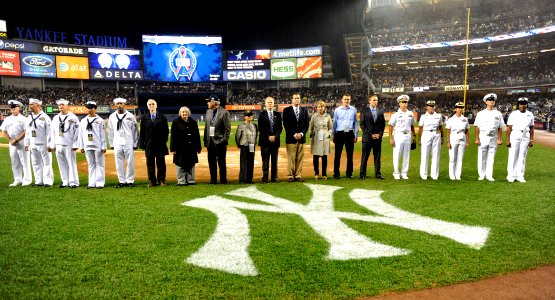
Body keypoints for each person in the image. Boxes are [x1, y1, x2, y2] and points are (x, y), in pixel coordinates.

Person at [108, 97, 139, 188]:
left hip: (128, 142)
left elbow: (135, 131)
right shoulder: (112, 116)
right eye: (118, 104)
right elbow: (110, 131)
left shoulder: (130, 116)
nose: (119, 105)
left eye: (121, 103)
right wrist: (111, 144)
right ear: (115, 105)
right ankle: (121, 181)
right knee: (118, 162)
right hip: (117, 142)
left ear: (124, 104)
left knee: (130, 162)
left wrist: (135, 143)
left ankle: (130, 180)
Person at [474, 93, 505, 181]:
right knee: (482, 156)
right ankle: (481, 174)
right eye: (490, 100)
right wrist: (477, 138)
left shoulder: (498, 113)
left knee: (491, 157)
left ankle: (489, 175)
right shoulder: (480, 113)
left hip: (493, 137)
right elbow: (477, 127)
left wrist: (499, 139)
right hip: (483, 136)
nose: (492, 101)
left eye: (493, 100)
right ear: (486, 102)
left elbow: (500, 127)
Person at [50, 98, 80, 188]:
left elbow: (77, 131)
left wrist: (75, 144)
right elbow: (53, 132)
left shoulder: (73, 117)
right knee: (61, 164)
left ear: (67, 106)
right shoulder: (55, 118)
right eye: (59, 105)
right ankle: (65, 181)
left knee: (71, 163)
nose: (61, 106)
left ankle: (73, 182)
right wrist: (53, 144)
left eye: (63, 105)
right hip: (58, 144)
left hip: (69, 144)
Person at [1, 100, 32, 186]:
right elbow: (4, 131)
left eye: (14, 107)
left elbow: (25, 131)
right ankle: (17, 179)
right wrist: (10, 140)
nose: (12, 109)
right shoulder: (7, 119)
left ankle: (27, 180)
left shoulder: (24, 119)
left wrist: (17, 140)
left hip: (22, 142)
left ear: (19, 108)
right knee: (14, 161)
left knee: (25, 161)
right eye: (11, 108)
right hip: (12, 143)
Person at [139, 99, 169, 187]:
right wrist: (142, 144)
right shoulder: (144, 118)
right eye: (150, 104)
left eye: (153, 104)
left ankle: (161, 180)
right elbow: (142, 132)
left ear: (156, 105)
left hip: (160, 144)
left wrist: (163, 141)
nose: (151, 106)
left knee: (161, 163)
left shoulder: (162, 117)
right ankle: (151, 181)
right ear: (147, 106)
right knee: (150, 164)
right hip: (149, 144)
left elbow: (166, 131)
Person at [24, 98, 54, 187]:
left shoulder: (45, 117)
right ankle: (39, 181)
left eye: (32, 104)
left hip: (43, 144)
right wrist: (26, 143)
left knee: (47, 163)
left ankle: (48, 181)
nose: (30, 106)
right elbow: (27, 131)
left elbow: (49, 132)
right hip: (33, 144)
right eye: (30, 104)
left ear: (38, 106)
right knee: (35, 163)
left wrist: (49, 144)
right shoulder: (29, 117)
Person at [77, 101, 107, 189]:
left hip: (97, 145)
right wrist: (81, 146)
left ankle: (100, 183)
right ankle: (91, 183)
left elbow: (102, 134)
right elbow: (81, 134)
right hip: (87, 145)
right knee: (91, 165)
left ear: (95, 109)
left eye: (91, 108)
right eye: (88, 108)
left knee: (100, 164)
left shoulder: (100, 120)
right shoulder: (83, 121)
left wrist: (104, 146)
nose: (89, 110)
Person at [170, 106, 202, 186]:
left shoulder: (193, 122)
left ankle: (191, 180)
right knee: (180, 164)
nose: (185, 114)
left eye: (186, 112)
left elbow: (197, 136)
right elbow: (173, 136)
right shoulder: (176, 122)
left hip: (191, 148)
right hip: (180, 148)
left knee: (191, 163)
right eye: (183, 112)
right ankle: (181, 181)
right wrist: (173, 149)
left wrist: (198, 147)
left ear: (188, 113)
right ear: (180, 113)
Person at [204, 94, 231, 184]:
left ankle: (223, 179)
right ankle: (213, 179)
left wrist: (223, 140)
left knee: (221, 162)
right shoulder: (208, 112)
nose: (207, 103)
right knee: (211, 161)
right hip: (210, 141)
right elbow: (206, 127)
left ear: (213, 102)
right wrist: (205, 140)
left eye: (209, 101)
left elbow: (227, 129)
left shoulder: (224, 112)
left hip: (220, 141)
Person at [282, 92, 309, 182]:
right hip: (291, 138)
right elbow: (286, 125)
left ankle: (298, 175)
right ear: (292, 99)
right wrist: (294, 134)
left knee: (300, 157)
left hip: (301, 138)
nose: (296, 99)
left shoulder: (304, 110)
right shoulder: (286, 110)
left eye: (298, 98)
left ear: (300, 99)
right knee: (291, 157)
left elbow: (306, 125)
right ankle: (290, 175)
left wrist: (301, 134)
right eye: (295, 98)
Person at [506, 97, 534, 183]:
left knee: (522, 156)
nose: (523, 105)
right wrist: (508, 140)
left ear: (527, 105)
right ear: (518, 105)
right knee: (513, 155)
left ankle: (520, 176)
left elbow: (532, 128)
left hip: (525, 135)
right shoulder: (513, 114)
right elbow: (509, 128)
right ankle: (511, 175)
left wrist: (531, 139)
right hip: (515, 135)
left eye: (524, 103)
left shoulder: (530, 114)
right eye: (521, 104)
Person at [388, 95, 416, 180]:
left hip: (408, 135)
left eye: (406, 102)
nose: (404, 104)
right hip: (398, 135)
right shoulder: (396, 114)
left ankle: (404, 173)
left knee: (406, 155)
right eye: (403, 102)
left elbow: (412, 125)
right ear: (399, 103)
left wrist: (414, 135)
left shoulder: (410, 113)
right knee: (397, 155)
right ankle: (396, 172)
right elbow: (390, 126)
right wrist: (391, 138)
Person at [359, 94, 385, 180]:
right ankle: (362, 174)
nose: (376, 102)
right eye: (374, 100)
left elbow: (383, 125)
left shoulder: (380, 111)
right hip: (367, 138)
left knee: (377, 157)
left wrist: (380, 134)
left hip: (377, 138)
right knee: (365, 156)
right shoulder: (364, 110)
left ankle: (378, 173)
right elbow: (362, 125)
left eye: (377, 100)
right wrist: (371, 134)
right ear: (369, 101)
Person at [332, 93, 358, 179]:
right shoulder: (337, 110)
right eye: (345, 99)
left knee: (350, 155)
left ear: (350, 100)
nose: (346, 101)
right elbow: (334, 123)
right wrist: (333, 134)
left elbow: (355, 123)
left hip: (350, 133)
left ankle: (349, 173)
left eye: (348, 99)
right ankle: (336, 173)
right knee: (337, 155)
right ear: (342, 100)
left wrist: (356, 134)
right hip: (339, 133)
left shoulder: (354, 110)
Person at [258, 96, 282, 183]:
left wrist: (275, 136)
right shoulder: (261, 114)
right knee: (265, 160)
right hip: (265, 141)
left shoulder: (278, 114)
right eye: (268, 102)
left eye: (271, 102)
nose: (270, 104)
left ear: (274, 104)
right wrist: (269, 136)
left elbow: (280, 128)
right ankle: (265, 177)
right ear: (265, 104)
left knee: (274, 161)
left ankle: (274, 177)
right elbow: (261, 128)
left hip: (275, 141)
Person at [418, 100, 444, 180]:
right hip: (426, 134)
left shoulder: (438, 116)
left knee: (436, 155)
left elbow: (440, 127)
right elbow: (420, 129)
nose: (431, 107)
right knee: (425, 155)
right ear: (427, 107)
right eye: (429, 106)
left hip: (436, 135)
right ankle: (423, 174)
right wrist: (419, 140)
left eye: (432, 106)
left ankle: (434, 175)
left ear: (434, 107)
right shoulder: (423, 116)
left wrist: (442, 138)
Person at [445, 101, 470, 180]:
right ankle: (452, 175)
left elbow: (466, 131)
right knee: (452, 158)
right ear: (455, 109)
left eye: (462, 108)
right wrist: (448, 142)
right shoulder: (451, 119)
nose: (460, 109)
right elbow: (448, 131)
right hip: (454, 137)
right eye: (459, 108)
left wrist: (467, 141)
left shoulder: (465, 119)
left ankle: (458, 174)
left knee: (460, 158)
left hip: (462, 138)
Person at [309, 101, 332, 180]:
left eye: (322, 107)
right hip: (316, 138)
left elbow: (331, 128)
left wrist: (328, 134)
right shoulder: (314, 117)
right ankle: (316, 173)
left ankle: (324, 174)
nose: (320, 108)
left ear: (324, 108)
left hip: (325, 139)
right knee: (315, 156)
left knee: (324, 157)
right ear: (317, 108)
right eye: (319, 107)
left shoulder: (328, 117)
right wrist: (311, 134)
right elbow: (311, 127)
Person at [235, 110, 258, 184]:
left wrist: (254, 143)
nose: (250, 116)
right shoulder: (241, 125)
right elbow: (237, 136)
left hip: (252, 146)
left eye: (251, 115)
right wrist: (239, 145)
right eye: (248, 115)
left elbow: (256, 135)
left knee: (251, 162)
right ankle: (242, 179)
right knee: (243, 163)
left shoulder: (255, 125)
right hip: (244, 146)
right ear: (245, 117)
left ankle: (249, 179)